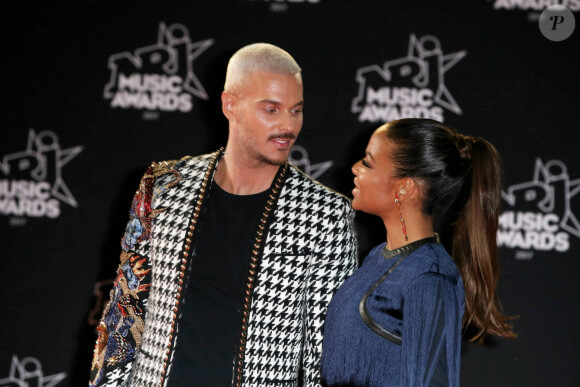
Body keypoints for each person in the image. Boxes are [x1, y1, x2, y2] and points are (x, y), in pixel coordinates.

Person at [89, 43, 358, 387]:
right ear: (230, 105)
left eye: (296, 110)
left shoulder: (325, 214)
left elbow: (326, 354)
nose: (288, 125)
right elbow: (125, 311)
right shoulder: (164, 184)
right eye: (271, 110)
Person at [320, 118, 516, 386]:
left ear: (404, 188)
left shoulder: (429, 276)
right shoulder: (381, 256)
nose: (354, 168)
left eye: (367, 163)